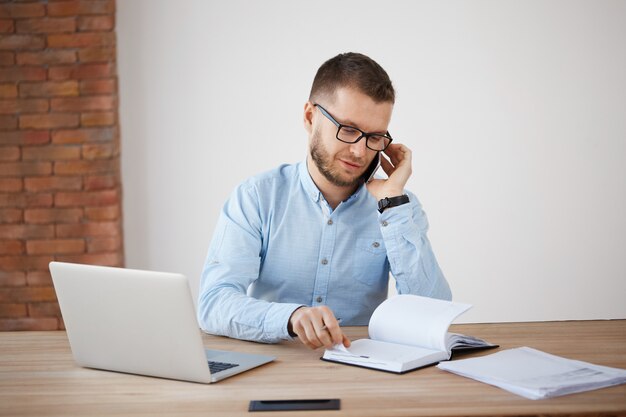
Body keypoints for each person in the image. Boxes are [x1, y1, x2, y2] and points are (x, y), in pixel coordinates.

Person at [197, 52, 451, 350]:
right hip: (275, 366)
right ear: (310, 117)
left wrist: (393, 205)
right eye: (348, 130)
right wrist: (291, 317)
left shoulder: (397, 209)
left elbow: (433, 315)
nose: (360, 152)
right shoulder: (256, 197)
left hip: (363, 371)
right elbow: (214, 303)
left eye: (374, 137)